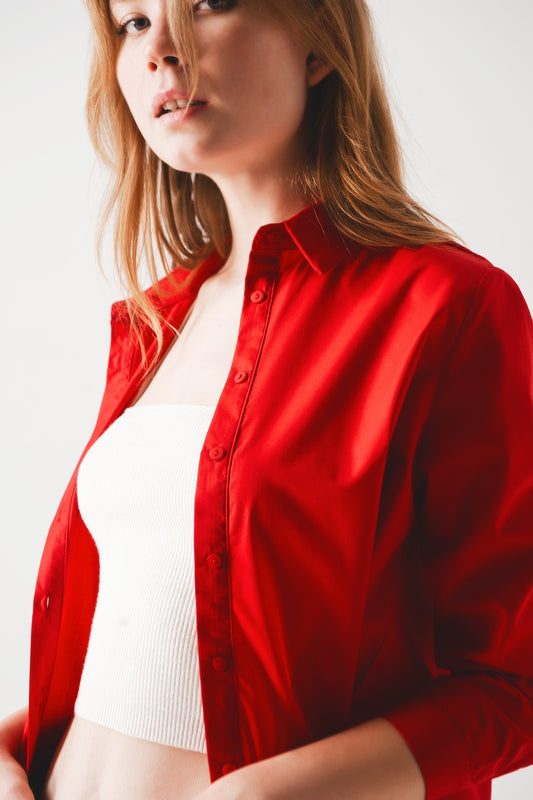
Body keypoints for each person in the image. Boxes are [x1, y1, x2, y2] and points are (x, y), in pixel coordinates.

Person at [1, 0, 532, 798]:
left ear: (319, 47)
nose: (161, 52)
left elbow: (511, 685)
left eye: (208, 4)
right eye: (132, 23)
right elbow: (141, 646)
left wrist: (258, 794)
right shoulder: (155, 320)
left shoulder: (447, 308)